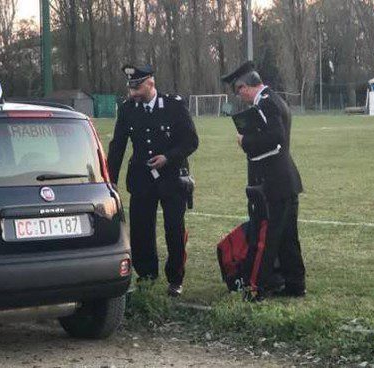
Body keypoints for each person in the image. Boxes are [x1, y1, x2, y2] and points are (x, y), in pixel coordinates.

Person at [107, 64, 199, 297]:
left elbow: (191, 141)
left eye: (137, 88)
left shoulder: (174, 106)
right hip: (141, 179)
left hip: (172, 179)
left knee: (173, 230)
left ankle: (175, 278)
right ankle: (147, 276)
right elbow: (117, 146)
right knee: (141, 231)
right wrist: (110, 181)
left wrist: (168, 157)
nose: (133, 93)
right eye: (131, 88)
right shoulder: (128, 109)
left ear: (151, 83)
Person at [221, 61, 306, 301]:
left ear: (245, 86)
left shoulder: (265, 103)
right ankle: (295, 284)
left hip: (272, 183)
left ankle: (255, 288)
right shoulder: (275, 99)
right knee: (288, 238)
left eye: (238, 91)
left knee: (264, 239)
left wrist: (244, 141)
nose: (240, 96)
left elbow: (276, 137)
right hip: (286, 180)